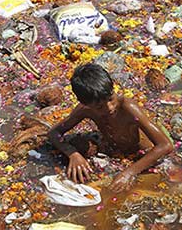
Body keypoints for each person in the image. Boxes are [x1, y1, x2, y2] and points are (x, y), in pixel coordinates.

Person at [48, 63, 174, 193]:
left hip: (143, 154)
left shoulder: (128, 107)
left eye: (110, 99)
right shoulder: (85, 110)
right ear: (85, 104)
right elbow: (54, 133)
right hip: (115, 152)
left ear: (112, 89)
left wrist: (129, 173)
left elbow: (165, 145)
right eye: (99, 107)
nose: (109, 107)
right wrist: (72, 154)